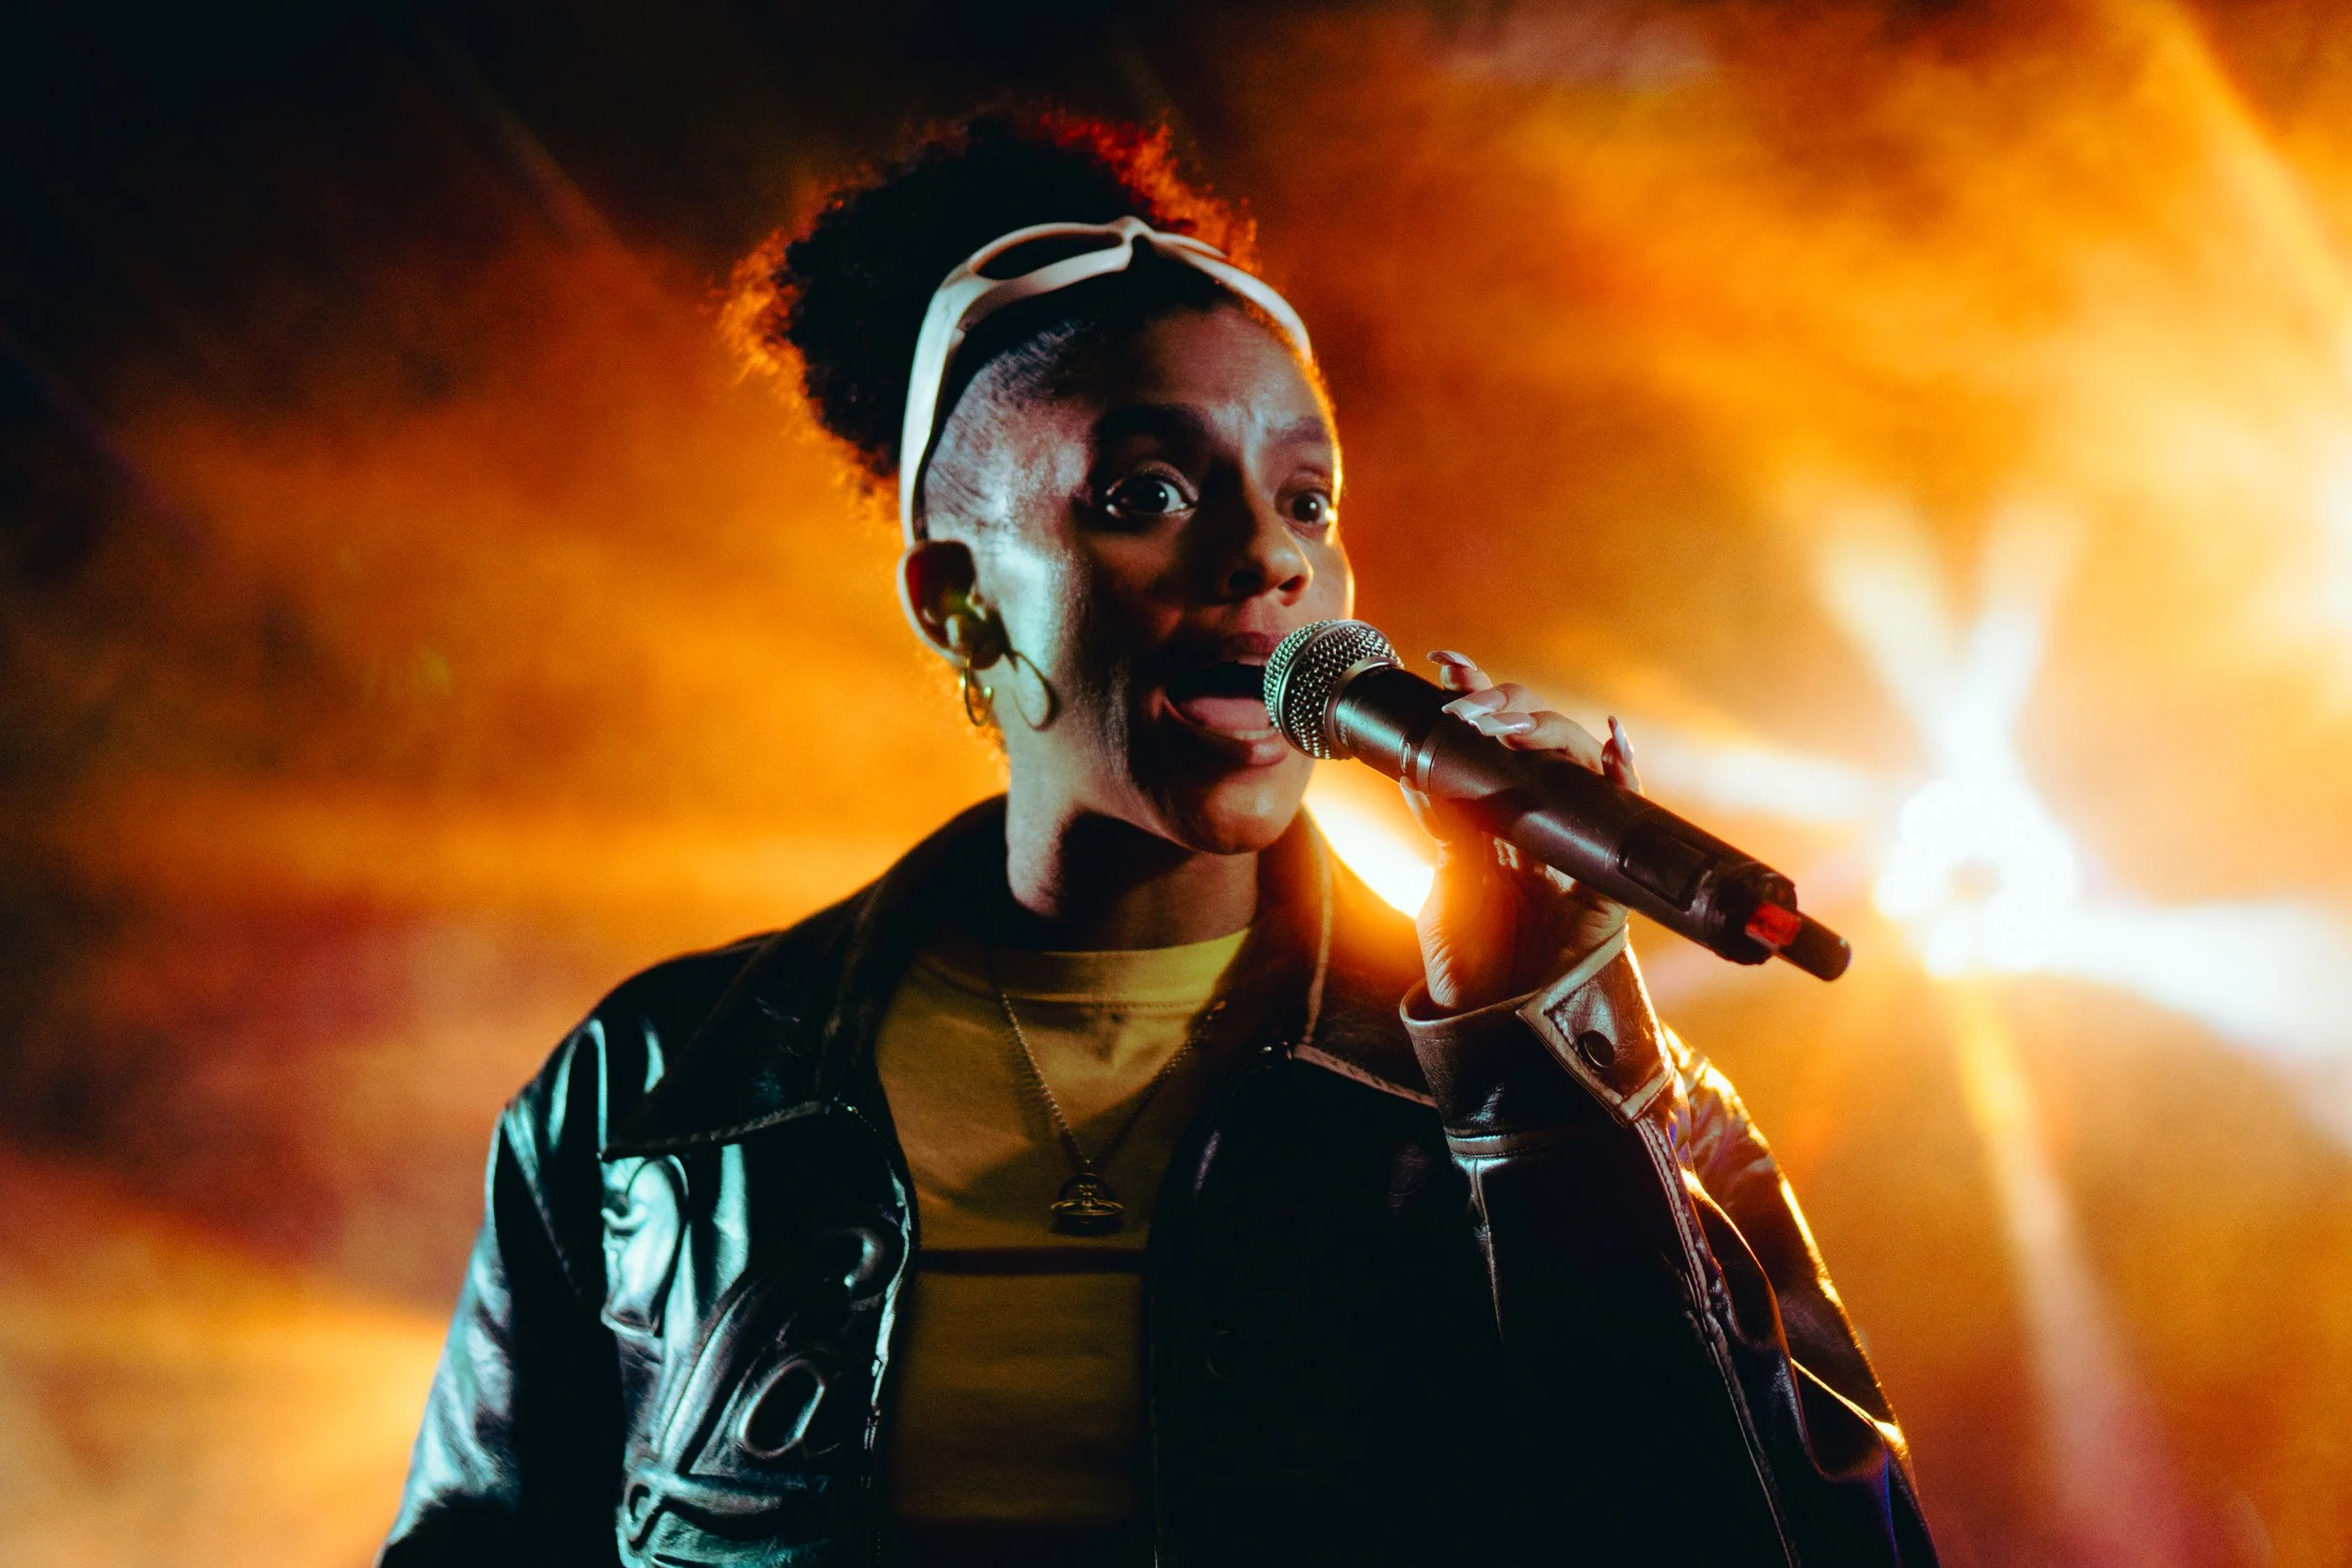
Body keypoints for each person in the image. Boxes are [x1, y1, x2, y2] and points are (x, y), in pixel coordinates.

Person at [381, 113, 1936, 1568]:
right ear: (958, 598)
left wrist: (1549, 1089)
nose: (1266, 556)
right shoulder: (660, 1094)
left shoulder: (1569, 1087)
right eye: (1147, 490)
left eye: (1308, 500)